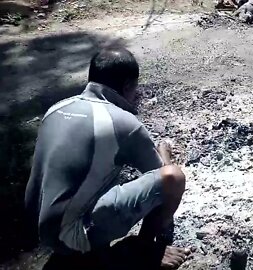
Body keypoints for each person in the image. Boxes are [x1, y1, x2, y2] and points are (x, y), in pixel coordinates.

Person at [25, 47, 190, 269]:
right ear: (128, 86)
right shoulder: (123, 122)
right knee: (175, 177)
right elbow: (164, 178)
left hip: (35, 228)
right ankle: (145, 249)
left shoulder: (57, 108)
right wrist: (164, 153)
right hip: (70, 238)